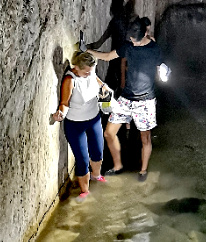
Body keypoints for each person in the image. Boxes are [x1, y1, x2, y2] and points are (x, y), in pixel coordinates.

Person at [87, 18, 168, 182]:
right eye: (132, 40)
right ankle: (118, 166)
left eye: (136, 41)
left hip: (145, 101)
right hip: (126, 98)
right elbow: (109, 56)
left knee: (145, 138)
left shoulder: (154, 49)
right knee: (109, 133)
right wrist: (88, 52)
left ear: (145, 33)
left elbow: (162, 67)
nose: (134, 44)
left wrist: (164, 73)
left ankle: (143, 171)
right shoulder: (128, 46)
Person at [53, 51, 113, 202]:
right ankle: (85, 191)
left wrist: (104, 87)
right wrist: (60, 114)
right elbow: (65, 103)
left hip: (94, 119)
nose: (88, 74)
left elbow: (97, 80)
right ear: (76, 68)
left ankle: (96, 176)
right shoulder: (70, 79)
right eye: (85, 72)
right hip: (75, 124)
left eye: (90, 71)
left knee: (98, 151)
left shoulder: (90, 72)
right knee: (82, 160)